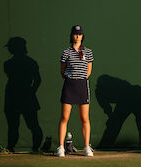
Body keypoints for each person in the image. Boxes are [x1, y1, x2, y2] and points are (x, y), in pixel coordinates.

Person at [56, 25, 94, 157]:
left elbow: (89, 71)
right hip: (69, 86)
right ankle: (60, 147)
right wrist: (71, 78)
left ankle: (86, 147)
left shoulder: (88, 52)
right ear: (72, 35)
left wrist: (80, 78)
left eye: (80, 34)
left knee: (84, 118)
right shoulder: (66, 52)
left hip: (82, 86)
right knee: (64, 117)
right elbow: (62, 71)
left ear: (83, 36)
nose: (77, 36)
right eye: (75, 34)